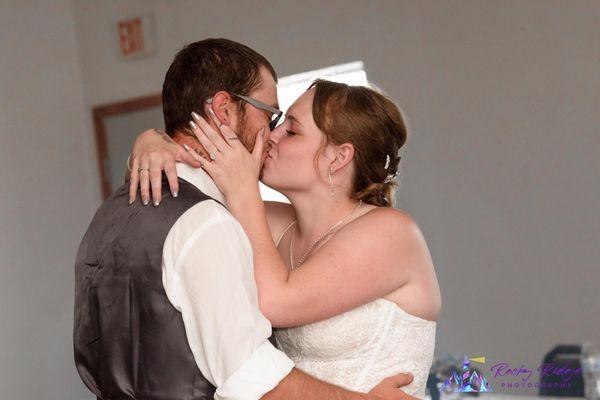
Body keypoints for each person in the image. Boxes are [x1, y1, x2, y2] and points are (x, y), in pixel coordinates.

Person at [74, 38, 415, 400]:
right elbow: (253, 381)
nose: (271, 135)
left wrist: (152, 142)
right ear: (224, 109)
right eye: (269, 115)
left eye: (289, 127)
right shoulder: (210, 221)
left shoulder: (110, 214)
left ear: (339, 157)